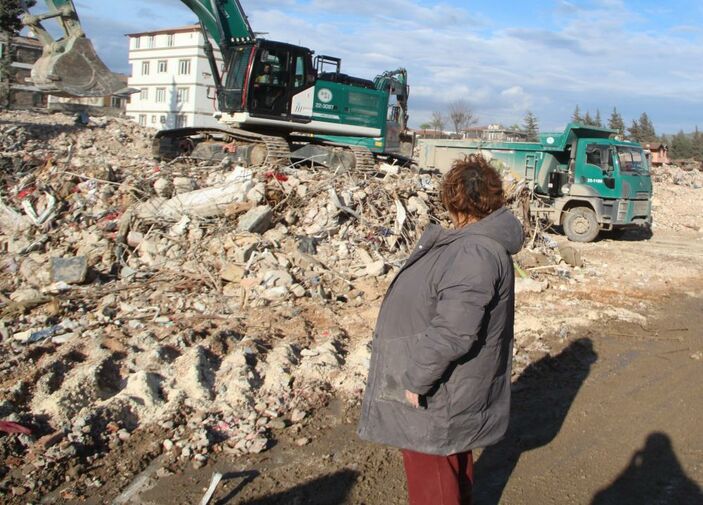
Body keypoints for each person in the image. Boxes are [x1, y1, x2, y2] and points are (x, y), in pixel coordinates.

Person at [357, 154, 524, 505]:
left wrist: (417, 379)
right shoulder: (473, 244)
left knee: (433, 468)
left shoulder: (474, 251)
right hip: (450, 386)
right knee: (451, 460)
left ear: (453, 199)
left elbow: (454, 331)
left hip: (441, 389)